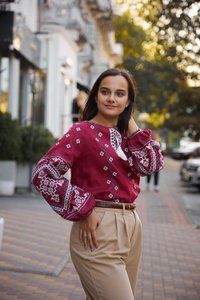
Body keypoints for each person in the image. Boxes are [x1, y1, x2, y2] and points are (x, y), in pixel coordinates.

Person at [32, 68, 164, 300]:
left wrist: (130, 122)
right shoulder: (81, 131)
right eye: (105, 92)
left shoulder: (128, 138)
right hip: (98, 229)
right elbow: (43, 174)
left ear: (128, 101)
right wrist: (84, 207)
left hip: (132, 227)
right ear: (95, 96)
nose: (111, 98)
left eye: (120, 94)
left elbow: (149, 166)